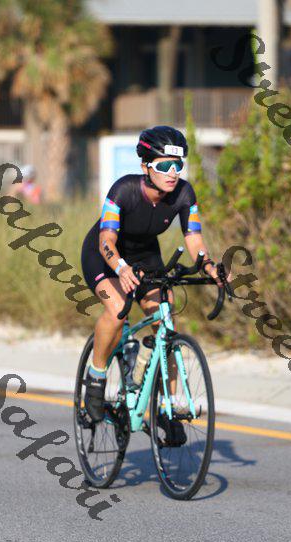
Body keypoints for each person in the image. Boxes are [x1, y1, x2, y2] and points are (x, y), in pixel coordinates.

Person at [81, 125, 228, 427]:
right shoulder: (123, 190)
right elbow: (106, 240)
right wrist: (121, 268)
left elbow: (194, 240)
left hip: (146, 256)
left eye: (178, 165)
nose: (172, 173)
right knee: (118, 310)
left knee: (166, 322)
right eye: (164, 166)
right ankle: (96, 378)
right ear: (145, 167)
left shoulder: (184, 193)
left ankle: (166, 407)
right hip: (105, 256)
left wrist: (209, 266)